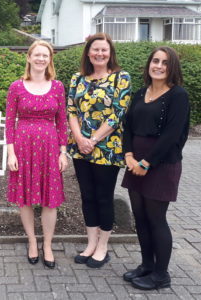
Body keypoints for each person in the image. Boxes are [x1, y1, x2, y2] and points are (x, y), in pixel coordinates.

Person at [121, 46, 189, 290]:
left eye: (165, 62)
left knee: (156, 218)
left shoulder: (177, 96)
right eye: (155, 61)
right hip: (134, 163)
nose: (159, 66)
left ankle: (161, 274)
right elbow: (127, 127)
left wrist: (147, 163)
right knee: (140, 217)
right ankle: (147, 265)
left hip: (161, 165)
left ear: (172, 68)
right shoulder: (140, 93)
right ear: (149, 64)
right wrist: (128, 156)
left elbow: (172, 135)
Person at [67, 33, 131, 268]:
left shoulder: (121, 78)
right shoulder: (77, 78)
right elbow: (71, 110)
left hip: (107, 148)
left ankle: (103, 246)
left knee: (104, 197)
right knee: (87, 196)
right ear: (88, 53)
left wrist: (92, 140)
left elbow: (117, 113)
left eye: (104, 50)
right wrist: (79, 138)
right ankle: (91, 243)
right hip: (80, 148)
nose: (99, 54)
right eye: (95, 50)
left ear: (110, 53)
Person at [5, 40, 68, 269]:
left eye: (46, 55)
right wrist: (10, 153)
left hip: (50, 148)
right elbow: (9, 122)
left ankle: (48, 245)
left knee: (50, 200)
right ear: (29, 57)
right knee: (25, 198)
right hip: (23, 147)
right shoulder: (17, 86)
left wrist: (63, 153)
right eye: (37, 55)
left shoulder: (58, 86)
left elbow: (62, 122)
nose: (41, 59)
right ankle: (32, 241)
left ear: (50, 60)